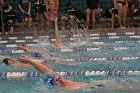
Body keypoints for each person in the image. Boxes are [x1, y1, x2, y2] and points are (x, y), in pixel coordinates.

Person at [18, 54, 139, 91]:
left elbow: (45, 70)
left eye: (57, 78)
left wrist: (30, 61)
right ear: (55, 84)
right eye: (56, 80)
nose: (58, 78)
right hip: (95, 88)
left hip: (96, 85)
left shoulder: (62, 84)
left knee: (126, 87)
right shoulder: (63, 89)